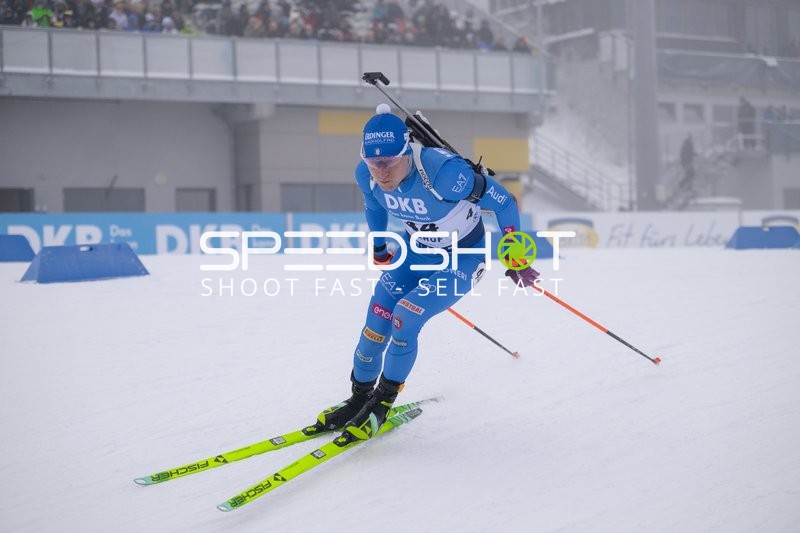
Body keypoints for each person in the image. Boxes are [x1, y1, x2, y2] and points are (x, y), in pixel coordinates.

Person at [311, 105, 539, 443]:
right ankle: (358, 398)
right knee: (377, 319)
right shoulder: (367, 175)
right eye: (374, 164)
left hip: (462, 256)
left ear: (407, 153)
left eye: (388, 163)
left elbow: (503, 202)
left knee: (405, 315)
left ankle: (382, 403)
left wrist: (515, 255)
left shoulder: (443, 173)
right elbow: (373, 206)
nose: (381, 173)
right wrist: (378, 246)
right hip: (415, 250)